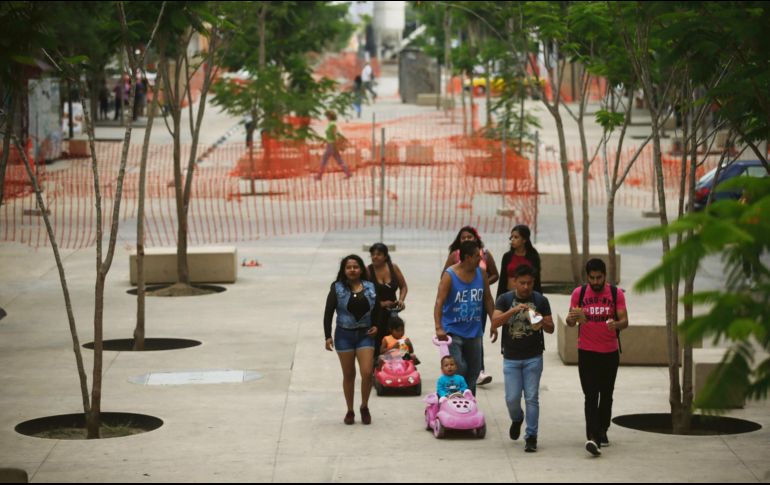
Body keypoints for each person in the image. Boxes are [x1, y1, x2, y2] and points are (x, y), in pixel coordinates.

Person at [565, 258, 629, 457]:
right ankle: (593, 437)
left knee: (606, 395)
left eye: (598, 278)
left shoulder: (615, 293)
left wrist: (616, 325)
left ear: (605, 276)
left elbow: (625, 320)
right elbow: (569, 321)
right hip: (587, 352)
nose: (595, 282)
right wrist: (572, 318)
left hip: (609, 353)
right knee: (590, 395)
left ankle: (603, 428)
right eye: (591, 278)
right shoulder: (579, 293)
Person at [492, 264, 554, 453]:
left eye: (529, 283)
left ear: (533, 282)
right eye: (522, 283)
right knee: (511, 398)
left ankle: (531, 436)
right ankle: (517, 418)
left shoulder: (541, 300)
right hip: (511, 358)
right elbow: (495, 322)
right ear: (514, 282)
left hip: (533, 357)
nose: (526, 287)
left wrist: (538, 319)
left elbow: (551, 328)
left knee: (532, 398)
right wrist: (515, 310)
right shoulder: (504, 299)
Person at [434, 239, 496, 396]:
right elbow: (439, 302)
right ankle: (454, 402)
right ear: (467, 257)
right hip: (452, 329)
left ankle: (469, 402)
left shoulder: (481, 274)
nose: (480, 259)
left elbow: (488, 299)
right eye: (477, 256)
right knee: (459, 368)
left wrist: (494, 321)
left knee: (474, 370)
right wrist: (438, 328)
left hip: (474, 331)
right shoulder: (450, 275)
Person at [324, 254, 381, 425]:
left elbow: (378, 310)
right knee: (349, 375)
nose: (352, 270)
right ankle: (350, 410)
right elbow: (328, 312)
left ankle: (364, 406)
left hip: (365, 335)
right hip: (344, 336)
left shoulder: (371, 287)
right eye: (348, 267)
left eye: (355, 267)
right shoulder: (336, 288)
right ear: (343, 270)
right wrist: (327, 335)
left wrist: (377, 326)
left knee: (366, 373)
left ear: (361, 269)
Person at [367, 242, 408, 359]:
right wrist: (380, 303)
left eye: (378, 254)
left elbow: (403, 286)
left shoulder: (393, 268)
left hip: (392, 314)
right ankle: (375, 368)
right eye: (373, 254)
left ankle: (396, 369)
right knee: (377, 343)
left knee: (395, 340)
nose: (375, 257)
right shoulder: (368, 271)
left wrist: (401, 300)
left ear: (385, 256)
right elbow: (363, 294)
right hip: (375, 315)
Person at [497, 224, 542, 298]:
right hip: (509, 296)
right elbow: (502, 280)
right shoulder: (507, 256)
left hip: (528, 297)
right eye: (511, 237)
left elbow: (537, 281)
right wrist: (499, 300)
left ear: (524, 240)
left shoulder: (533, 257)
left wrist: (539, 300)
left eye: (516, 237)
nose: (512, 240)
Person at [315, 111, 351, 180]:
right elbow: (329, 135)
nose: (326, 117)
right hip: (331, 144)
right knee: (339, 160)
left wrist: (336, 144)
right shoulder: (331, 124)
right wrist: (324, 142)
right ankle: (348, 173)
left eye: (327, 116)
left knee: (324, 160)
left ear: (330, 116)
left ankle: (319, 176)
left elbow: (334, 134)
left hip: (331, 145)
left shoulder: (332, 124)